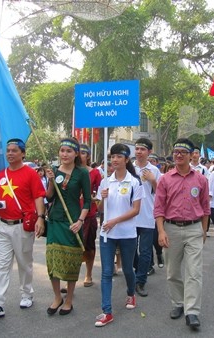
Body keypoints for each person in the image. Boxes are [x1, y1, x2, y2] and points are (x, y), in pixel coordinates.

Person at [0, 139, 45, 318]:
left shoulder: (31, 174)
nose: (10, 153)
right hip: (2, 225)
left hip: (22, 226)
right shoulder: (1, 175)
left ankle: (27, 294)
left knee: (24, 263)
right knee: (1, 265)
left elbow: (39, 197)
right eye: (8, 150)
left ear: (22, 153)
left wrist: (40, 218)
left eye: (14, 151)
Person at [154, 138, 210, 330]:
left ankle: (192, 311)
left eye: (183, 152)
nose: (178, 155)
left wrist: (203, 231)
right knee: (172, 272)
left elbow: (205, 207)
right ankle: (178, 303)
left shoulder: (201, 179)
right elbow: (159, 208)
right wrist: (161, 231)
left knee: (194, 272)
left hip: (194, 229)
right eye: (176, 151)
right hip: (171, 229)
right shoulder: (165, 179)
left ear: (191, 155)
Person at [94, 143, 143, 327]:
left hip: (127, 233)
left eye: (118, 157)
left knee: (128, 269)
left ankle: (131, 293)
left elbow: (136, 210)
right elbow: (99, 209)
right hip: (107, 234)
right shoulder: (105, 181)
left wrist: (115, 221)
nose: (114, 160)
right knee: (106, 272)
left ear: (126, 159)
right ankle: (107, 312)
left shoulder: (134, 182)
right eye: (112, 157)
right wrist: (102, 198)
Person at [44, 138, 91, 316]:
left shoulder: (82, 173)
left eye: (69, 151)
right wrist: (50, 181)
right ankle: (57, 297)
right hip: (55, 221)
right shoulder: (54, 171)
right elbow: (49, 197)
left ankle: (69, 299)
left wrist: (80, 221)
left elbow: (87, 200)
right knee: (53, 261)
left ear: (76, 154)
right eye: (62, 151)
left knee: (71, 262)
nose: (64, 154)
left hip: (73, 222)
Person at [133, 138, 161, 296]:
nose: (138, 152)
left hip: (147, 216)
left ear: (149, 152)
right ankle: (139, 271)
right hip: (130, 216)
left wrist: (153, 180)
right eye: (137, 149)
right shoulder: (129, 167)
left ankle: (140, 281)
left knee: (145, 251)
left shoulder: (155, 171)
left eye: (142, 149)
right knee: (129, 251)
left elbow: (160, 193)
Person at [79, 144, 102, 287]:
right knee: (72, 247)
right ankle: (70, 277)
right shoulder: (69, 171)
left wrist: (92, 199)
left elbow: (99, 194)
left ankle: (88, 274)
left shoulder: (94, 173)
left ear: (88, 156)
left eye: (82, 152)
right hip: (72, 215)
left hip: (89, 215)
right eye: (78, 152)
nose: (79, 155)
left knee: (89, 246)